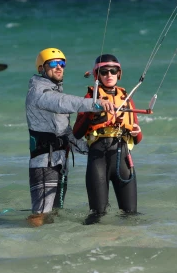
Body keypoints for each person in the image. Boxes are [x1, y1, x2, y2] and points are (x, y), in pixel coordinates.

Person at [25, 47, 117, 226]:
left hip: (59, 161)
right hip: (44, 163)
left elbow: (65, 132)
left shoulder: (54, 91)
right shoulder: (39, 92)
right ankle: (32, 244)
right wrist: (96, 103)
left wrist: (90, 149)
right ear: (41, 69)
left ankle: (50, 247)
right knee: (41, 213)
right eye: (53, 64)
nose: (59, 67)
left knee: (55, 212)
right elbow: (63, 103)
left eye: (62, 63)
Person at [73, 54, 144, 224]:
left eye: (113, 71)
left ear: (119, 74)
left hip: (123, 158)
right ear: (97, 75)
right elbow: (77, 132)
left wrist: (136, 132)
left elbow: (138, 138)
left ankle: (129, 246)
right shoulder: (90, 98)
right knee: (97, 214)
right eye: (104, 72)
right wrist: (93, 109)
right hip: (98, 158)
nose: (109, 75)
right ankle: (93, 248)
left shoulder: (126, 97)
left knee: (131, 214)